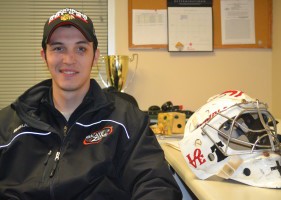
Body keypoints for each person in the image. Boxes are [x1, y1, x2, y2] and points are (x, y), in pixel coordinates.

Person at [0, 8, 182, 200]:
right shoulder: (7, 124)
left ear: (95, 56)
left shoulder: (126, 120)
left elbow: (157, 185)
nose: (69, 60)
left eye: (81, 49)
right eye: (58, 48)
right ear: (44, 56)